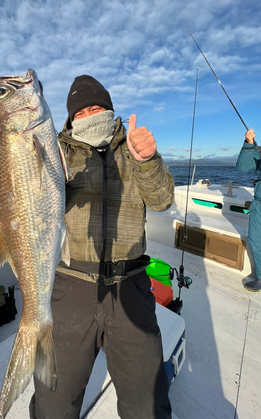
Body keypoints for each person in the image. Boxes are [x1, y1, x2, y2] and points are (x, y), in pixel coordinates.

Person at [30, 75, 174, 419]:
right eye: (81, 111)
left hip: (131, 286)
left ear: (110, 110)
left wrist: (147, 161)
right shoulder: (58, 151)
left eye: (98, 108)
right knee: (54, 398)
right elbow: (35, 201)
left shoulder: (132, 148)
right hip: (69, 284)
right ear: (69, 119)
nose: (90, 114)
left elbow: (162, 200)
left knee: (147, 402)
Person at [236, 129, 261, 292]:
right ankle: (260, 276)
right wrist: (249, 144)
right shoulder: (259, 152)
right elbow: (242, 167)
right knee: (255, 240)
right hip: (259, 205)